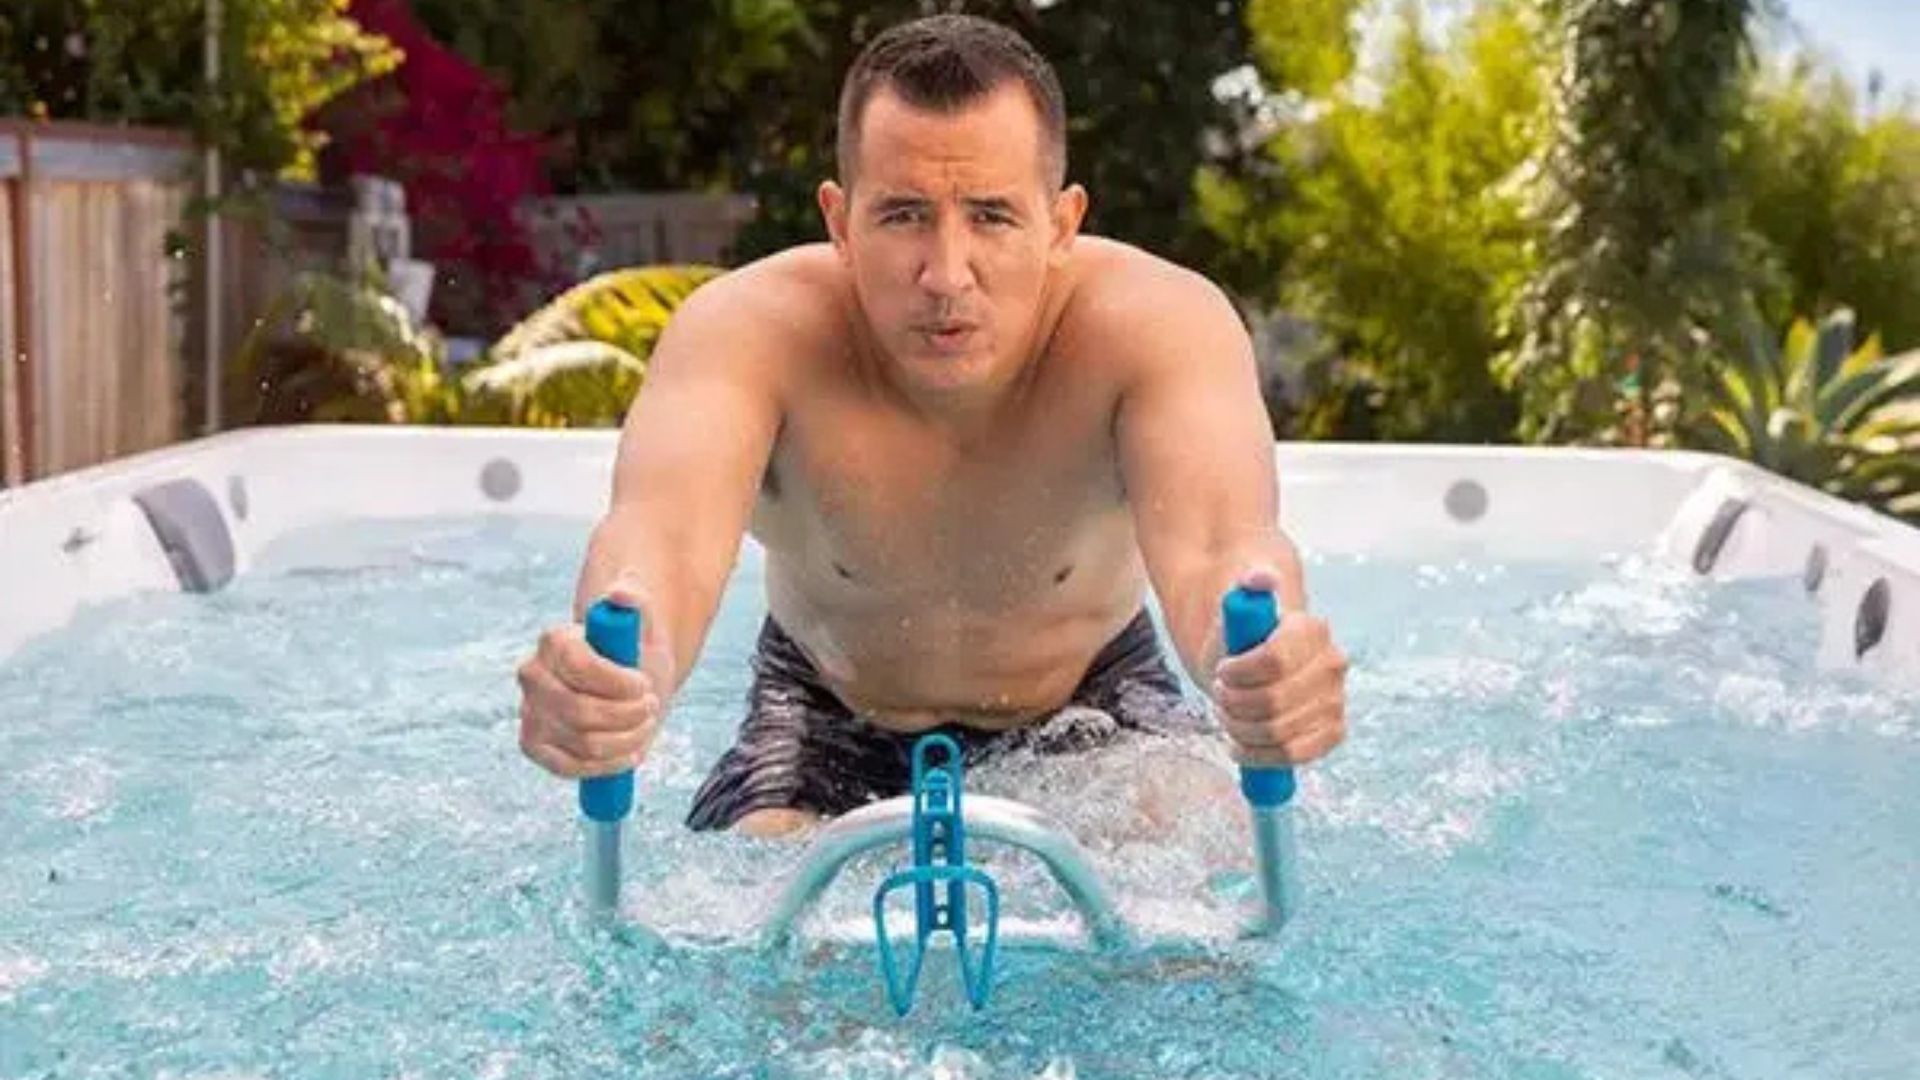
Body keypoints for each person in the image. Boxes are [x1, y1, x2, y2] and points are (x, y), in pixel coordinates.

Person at [516, 13, 1348, 838]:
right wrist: (619, 675)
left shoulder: (1158, 327)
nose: (946, 275)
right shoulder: (747, 335)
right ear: (840, 222)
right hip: (825, 707)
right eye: (904, 214)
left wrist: (1263, 665)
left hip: (1091, 695)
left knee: (1200, 829)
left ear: (1061, 224)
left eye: (991, 215)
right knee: (758, 876)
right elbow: (661, 543)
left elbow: (1224, 550)